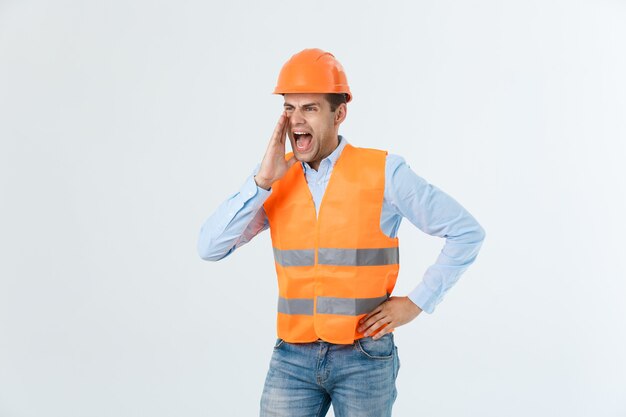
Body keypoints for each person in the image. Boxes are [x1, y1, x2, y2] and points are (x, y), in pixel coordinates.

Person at [197, 48, 486, 417]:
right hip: (292, 358)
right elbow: (209, 247)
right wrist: (261, 181)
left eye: (310, 108)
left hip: (364, 355)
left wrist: (417, 303)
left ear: (340, 114)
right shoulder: (274, 179)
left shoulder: (385, 172)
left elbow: (466, 232)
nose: (295, 120)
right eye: (289, 108)